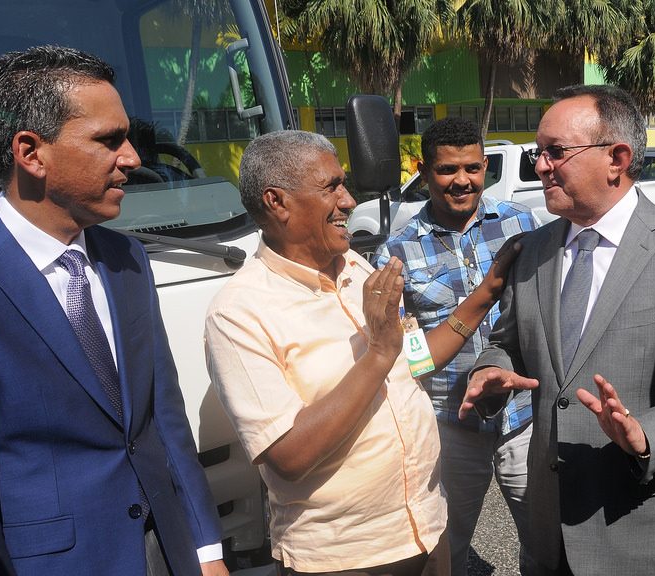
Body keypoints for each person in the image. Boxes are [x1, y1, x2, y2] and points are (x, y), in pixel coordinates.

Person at [0, 46, 227, 576]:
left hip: (169, 553)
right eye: (108, 140)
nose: (133, 159)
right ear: (31, 153)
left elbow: (163, 420)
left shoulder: (127, 259)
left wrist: (206, 550)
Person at [459, 84, 655, 576]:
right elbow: (507, 342)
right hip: (548, 531)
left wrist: (648, 434)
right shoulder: (532, 251)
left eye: (556, 151)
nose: (540, 166)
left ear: (617, 159)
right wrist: (492, 370)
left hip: (645, 531)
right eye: (538, 153)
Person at [204, 130, 521, 575]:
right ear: (277, 202)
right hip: (348, 558)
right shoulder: (238, 312)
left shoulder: (356, 268)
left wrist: (487, 292)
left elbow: (414, 361)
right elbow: (288, 456)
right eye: (331, 187)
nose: (349, 201)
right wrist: (378, 354)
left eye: (345, 185)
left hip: (426, 531)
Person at [373, 117, 537, 576]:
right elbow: (408, 359)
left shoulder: (521, 225)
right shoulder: (396, 254)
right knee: (446, 550)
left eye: (472, 168)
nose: (462, 181)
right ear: (423, 171)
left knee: (546, 541)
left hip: (523, 417)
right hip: (450, 425)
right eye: (447, 170)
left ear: (485, 166)